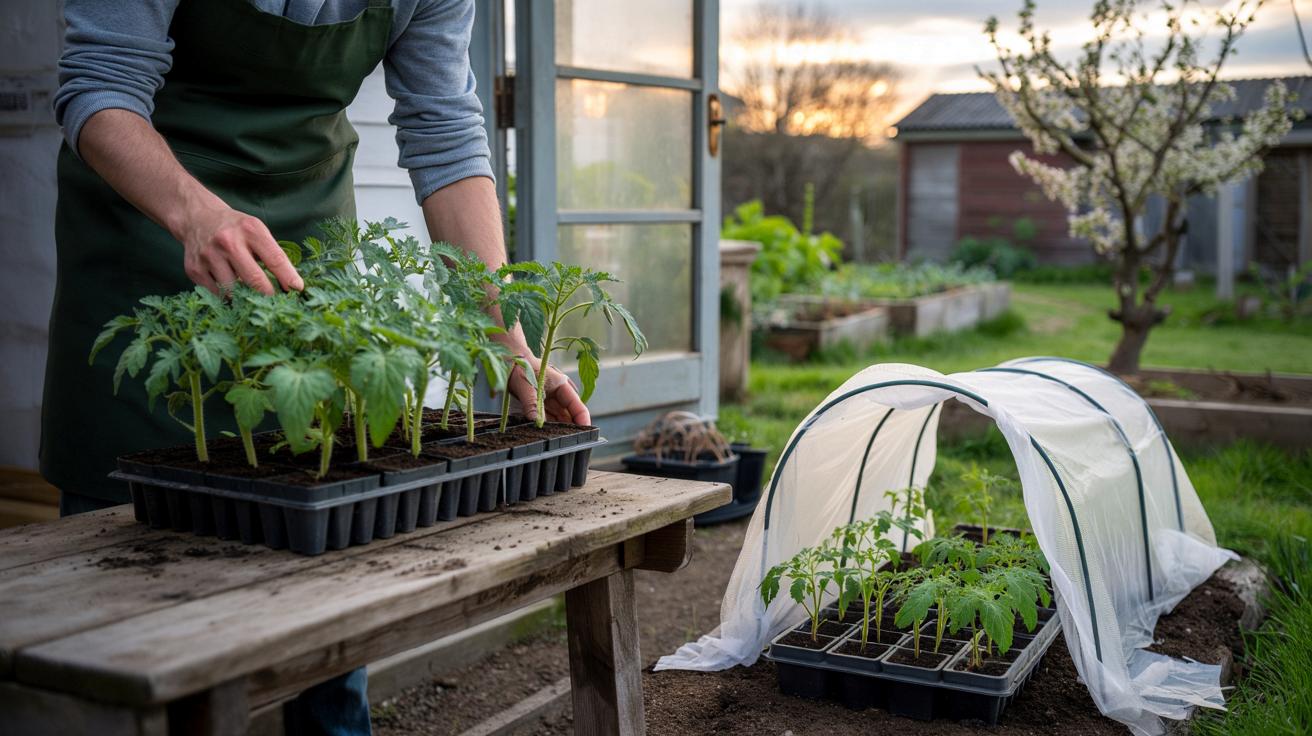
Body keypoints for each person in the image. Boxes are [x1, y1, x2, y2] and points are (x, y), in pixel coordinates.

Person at [43, 1, 588, 733]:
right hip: (148, 231)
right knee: (122, 583)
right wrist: (196, 214)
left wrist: (508, 338)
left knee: (330, 530)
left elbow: (447, 135)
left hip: (309, 235)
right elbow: (99, 86)